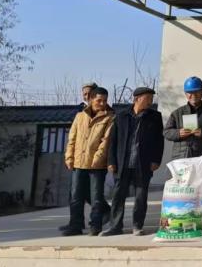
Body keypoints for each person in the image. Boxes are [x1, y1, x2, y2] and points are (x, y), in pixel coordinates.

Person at [101, 86, 164, 236]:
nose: (150, 101)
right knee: (118, 196)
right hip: (123, 163)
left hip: (143, 163)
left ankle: (137, 225)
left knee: (141, 197)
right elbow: (113, 141)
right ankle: (115, 226)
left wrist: (156, 160)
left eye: (151, 98)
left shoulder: (155, 117)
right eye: (148, 98)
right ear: (137, 99)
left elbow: (159, 141)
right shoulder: (121, 116)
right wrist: (111, 161)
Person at [61, 86, 115, 236]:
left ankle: (95, 225)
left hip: (97, 165)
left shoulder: (110, 118)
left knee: (96, 197)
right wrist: (69, 157)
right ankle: (75, 225)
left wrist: (96, 159)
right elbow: (72, 138)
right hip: (78, 163)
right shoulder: (80, 117)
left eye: (105, 100)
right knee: (75, 196)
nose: (102, 103)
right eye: (99, 100)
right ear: (91, 99)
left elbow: (106, 142)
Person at [163, 76, 202, 159]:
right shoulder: (177, 113)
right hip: (181, 157)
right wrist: (178, 133)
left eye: (197, 91)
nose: (193, 95)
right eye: (190, 92)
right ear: (185, 94)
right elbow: (166, 132)